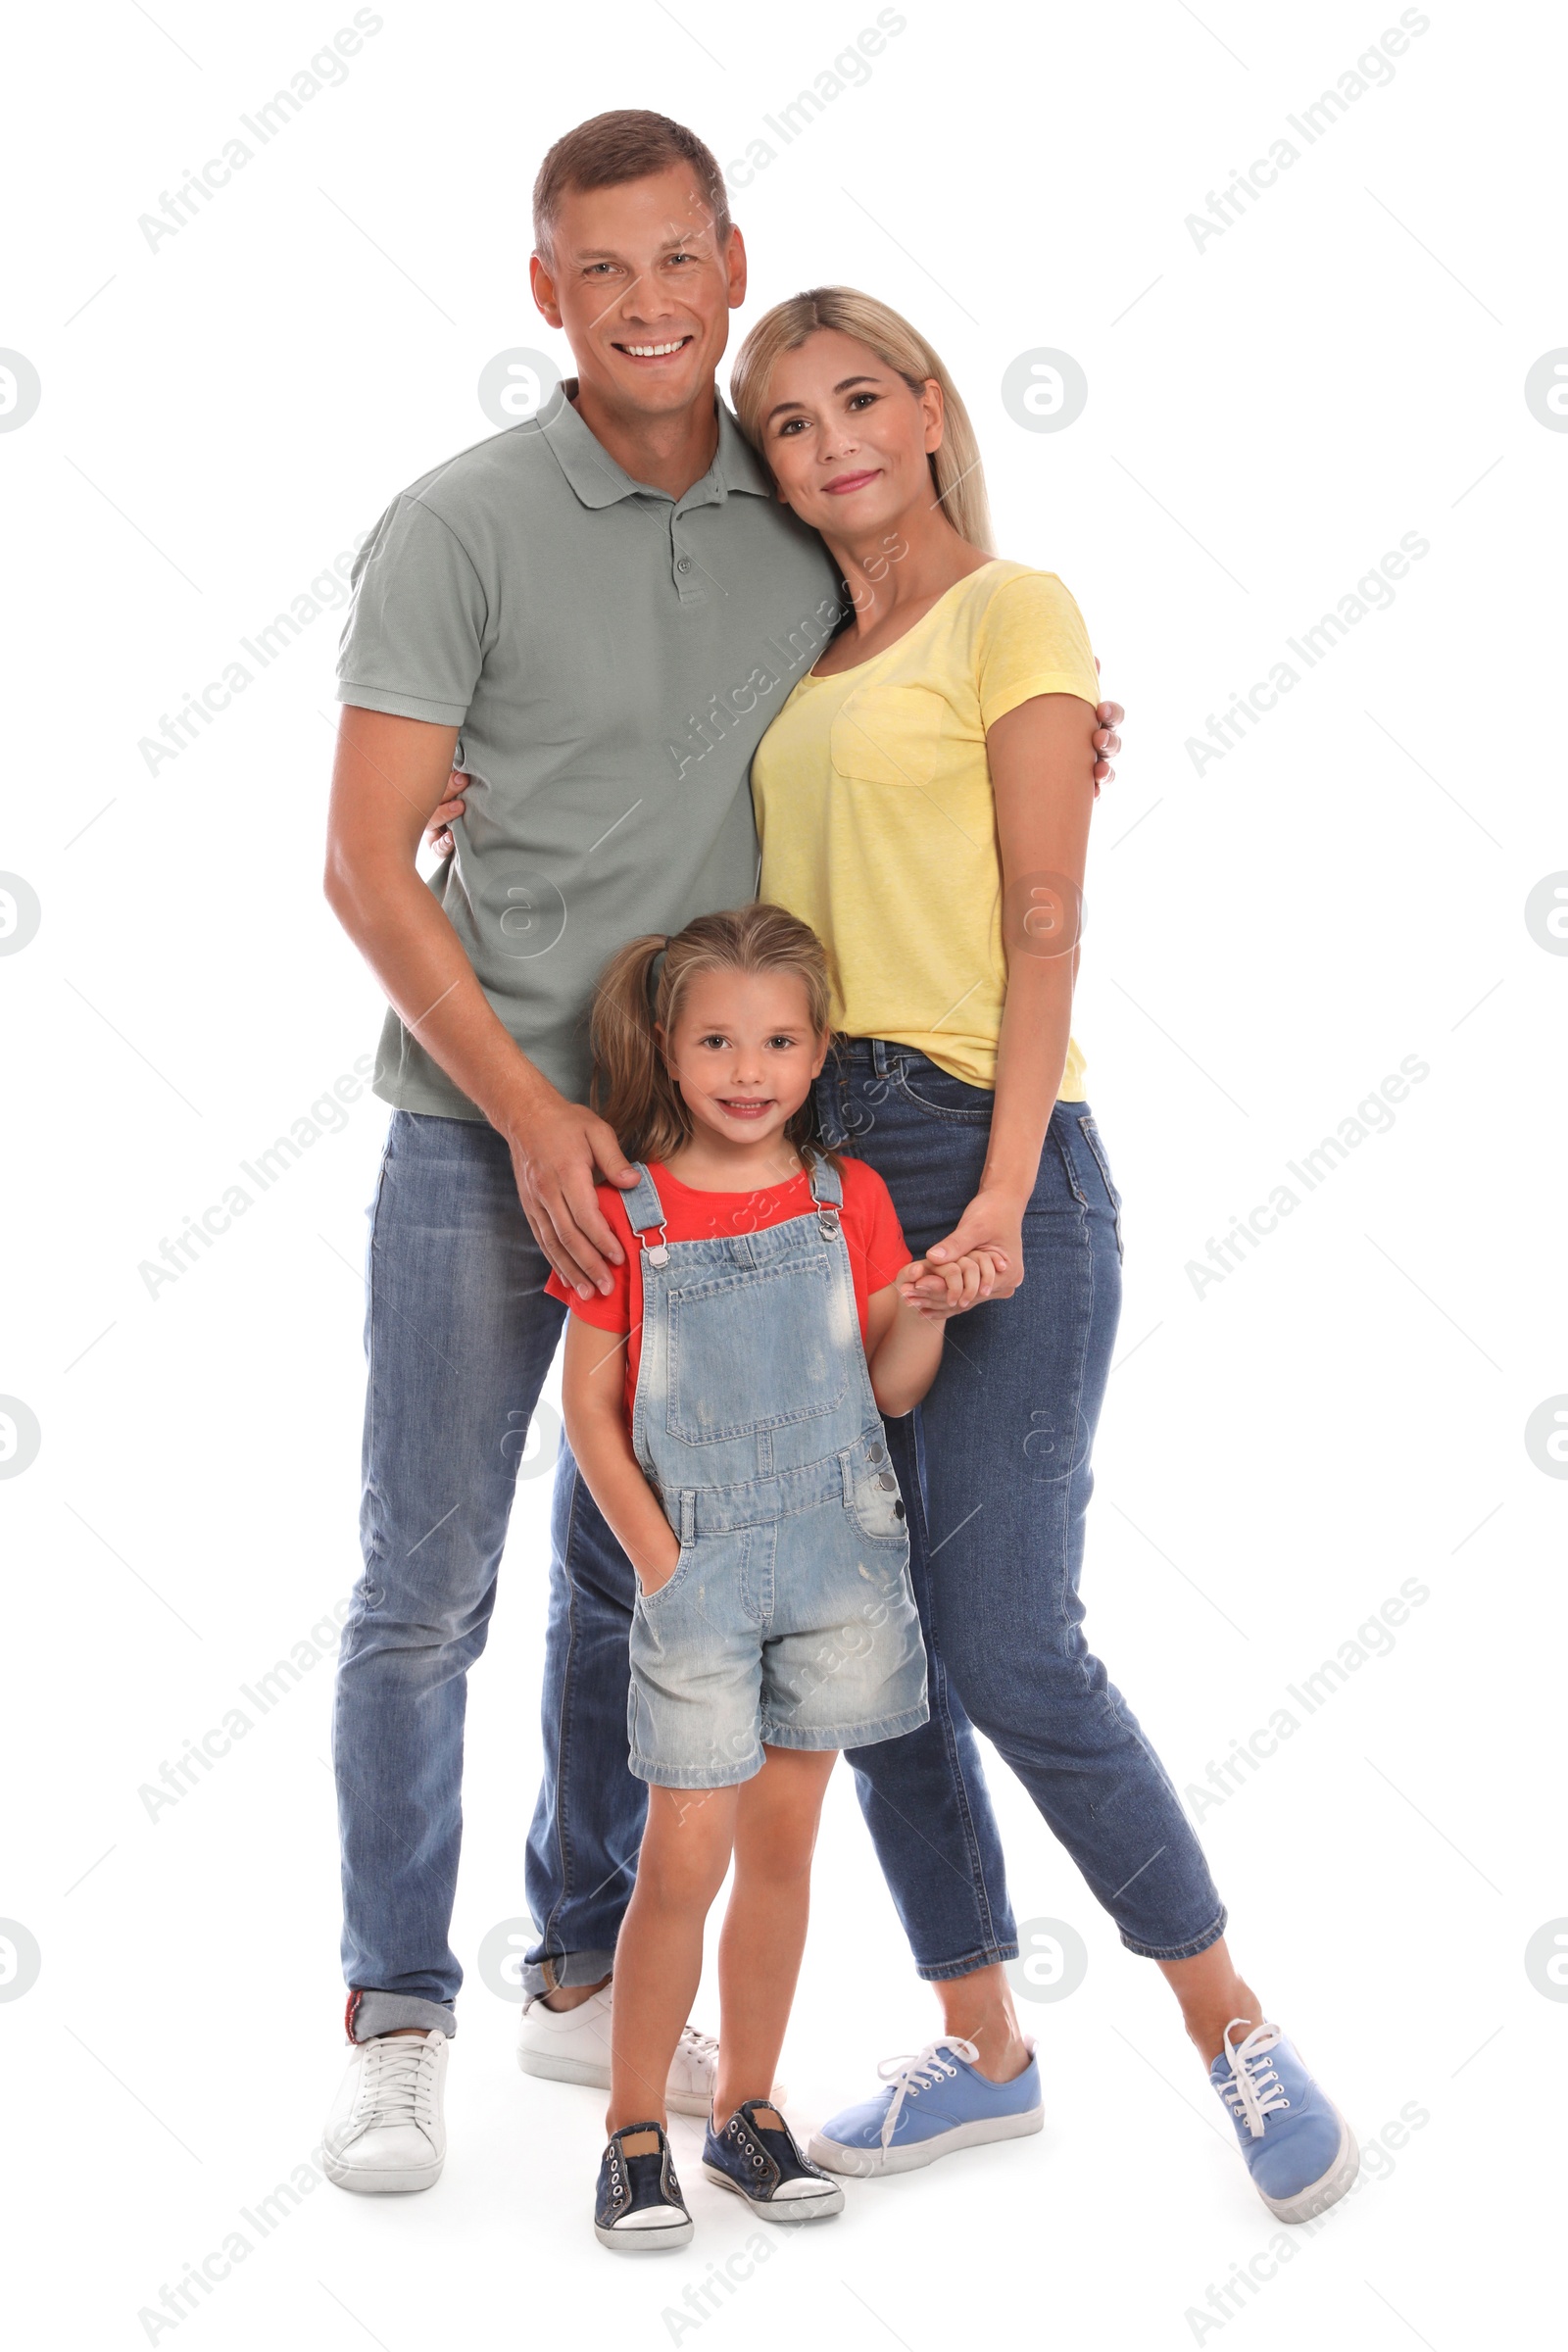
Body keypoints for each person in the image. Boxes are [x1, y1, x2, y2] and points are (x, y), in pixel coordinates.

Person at [432, 290, 1357, 2227]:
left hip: (978, 1142)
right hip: (808, 1164)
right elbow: (683, 831)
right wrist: (477, 788)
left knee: (1010, 1638)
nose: (829, 439)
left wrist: (1006, 1189)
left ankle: (1228, 2024)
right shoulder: (799, 654)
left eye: (861, 397)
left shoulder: (1014, 614)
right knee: (873, 1655)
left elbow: (1037, 921)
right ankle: (983, 2048)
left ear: (931, 411)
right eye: (785, 421)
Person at [319, 108, 1121, 2195]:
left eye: (679, 261)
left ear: (725, 255)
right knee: (427, 1578)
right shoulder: (459, 523)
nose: (647, 304)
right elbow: (357, 865)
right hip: (473, 1130)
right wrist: (527, 1107)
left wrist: (1060, 731)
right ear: (545, 295)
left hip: (718, 1163)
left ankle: (582, 1971)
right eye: (601, 271)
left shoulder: (795, 517)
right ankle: (396, 2008)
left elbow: (913, 676)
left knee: (624, 1572)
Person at [545, 904, 998, 2247]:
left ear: (818, 1056)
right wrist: (662, 1564)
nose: (750, 1069)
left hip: (839, 1571)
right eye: (720, 1041)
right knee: (680, 1862)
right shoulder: (632, 1210)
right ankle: (635, 2132)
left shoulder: (843, 1197)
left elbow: (891, 1386)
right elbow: (588, 1408)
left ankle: (747, 2113)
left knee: (786, 1852)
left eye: (782, 1041)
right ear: (672, 1050)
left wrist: (919, 1303)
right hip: (699, 1576)